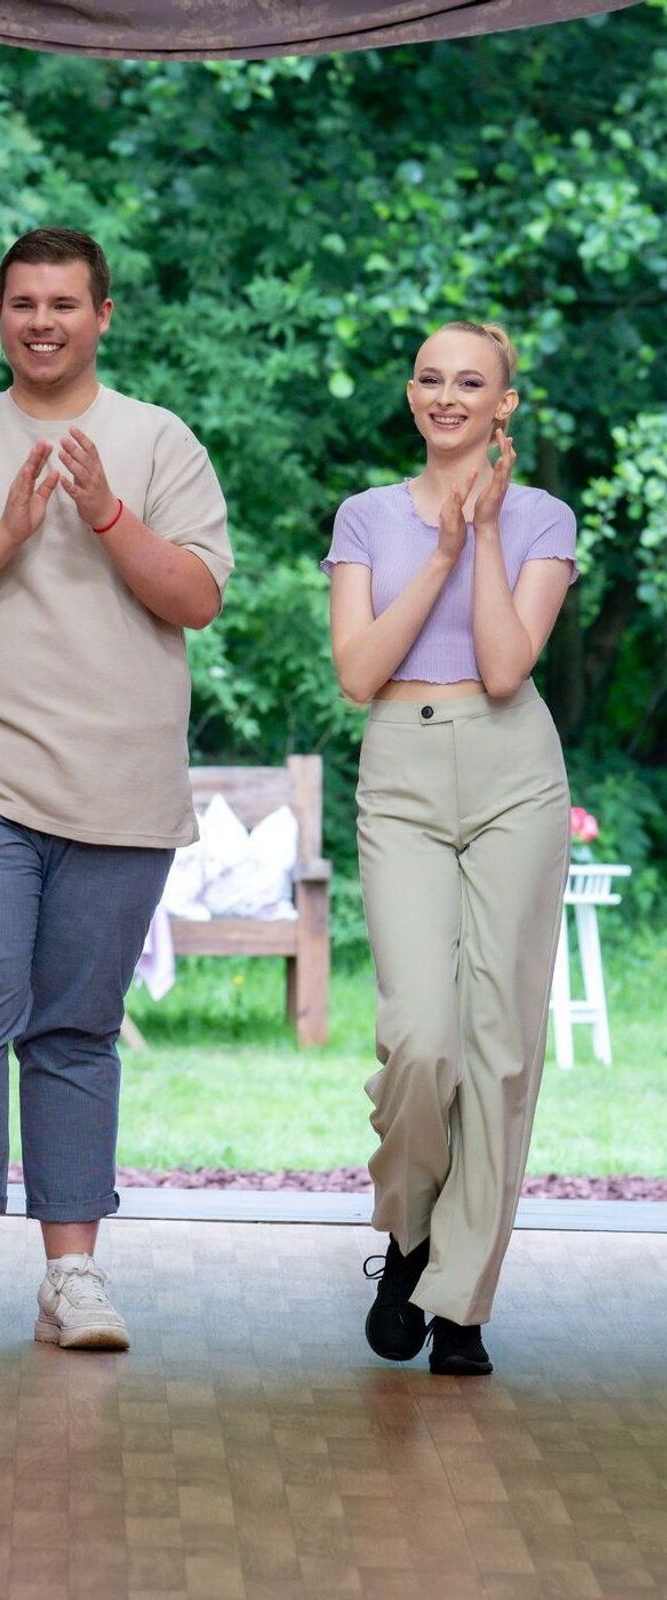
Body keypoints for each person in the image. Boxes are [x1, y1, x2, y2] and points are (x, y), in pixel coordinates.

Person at [0, 227, 233, 1351]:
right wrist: (11, 531)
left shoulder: (161, 442)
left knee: (76, 1029)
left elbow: (199, 597)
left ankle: (72, 1277)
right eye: (23, 303)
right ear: (0, 315)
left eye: (64, 303)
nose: (43, 322)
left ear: (103, 315)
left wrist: (110, 516)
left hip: (116, 789)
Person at [323, 320, 576, 1376]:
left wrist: (483, 535)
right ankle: (413, 1227)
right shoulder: (366, 517)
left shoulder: (545, 518)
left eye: (470, 381)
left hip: (515, 767)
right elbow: (360, 669)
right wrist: (440, 547)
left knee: (499, 1046)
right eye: (429, 376)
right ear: (411, 391)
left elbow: (510, 666)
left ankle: (462, 1302)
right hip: (405, 769)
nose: (446, 394)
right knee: (421, 1036)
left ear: (504, 403)